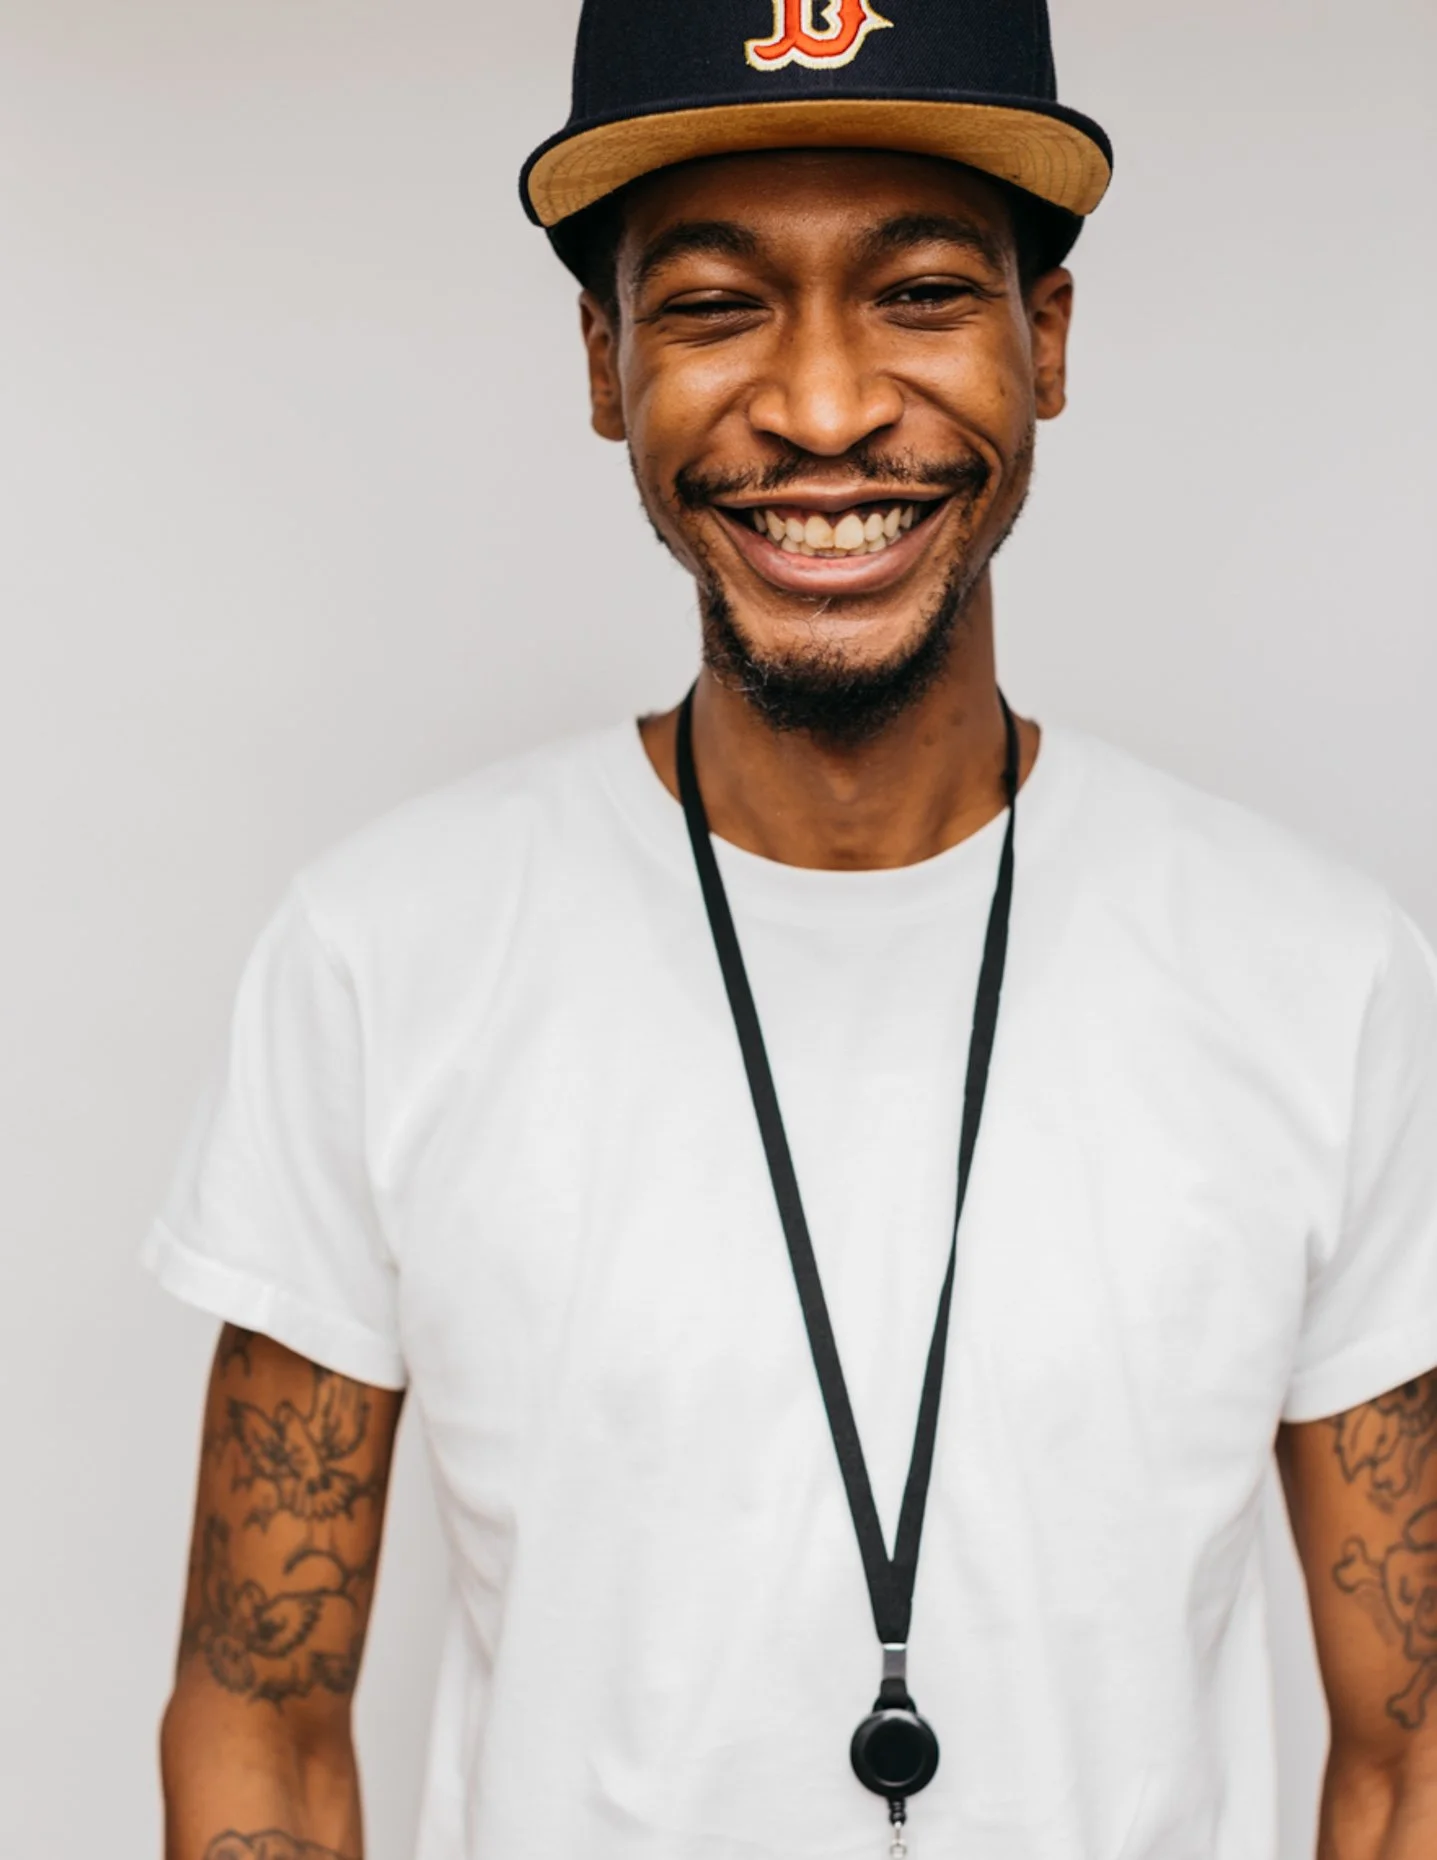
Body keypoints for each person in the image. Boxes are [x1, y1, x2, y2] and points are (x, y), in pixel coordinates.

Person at [147, 2, 1437, 1857]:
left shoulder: (1324, 979)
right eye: (714, 305)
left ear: (1046, 339)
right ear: (603, 361)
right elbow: (260, 1724)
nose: (825, 410)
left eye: (919, 291)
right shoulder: (378, 960)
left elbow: (1406, 1756)